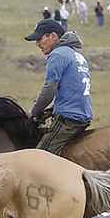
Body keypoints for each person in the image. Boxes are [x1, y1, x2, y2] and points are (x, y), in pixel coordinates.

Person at [25, 17, 93, 156]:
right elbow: (73, 89)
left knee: (39, 157)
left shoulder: (57, 55)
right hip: (83, 114)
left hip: (68, 118)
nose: (37, 44)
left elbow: (49, 88)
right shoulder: (76, 55)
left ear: (53, 36)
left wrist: (34, 112)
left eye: (40, 39)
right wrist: (51, 110)